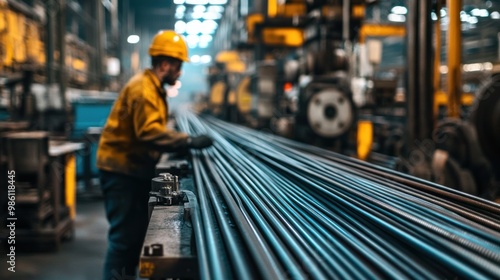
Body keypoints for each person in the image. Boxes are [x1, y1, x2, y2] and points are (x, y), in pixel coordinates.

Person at [96, 30, 213, 280]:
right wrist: (187, 140)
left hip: (131, 168)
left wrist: (176, 141)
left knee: (133, 237)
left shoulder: (152, 87)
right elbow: (148, 132)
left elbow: (154, 128)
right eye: (178, 66)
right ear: (165, 64)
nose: (180, 72)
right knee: (124, 241)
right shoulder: (144, 90)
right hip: (120, 172)